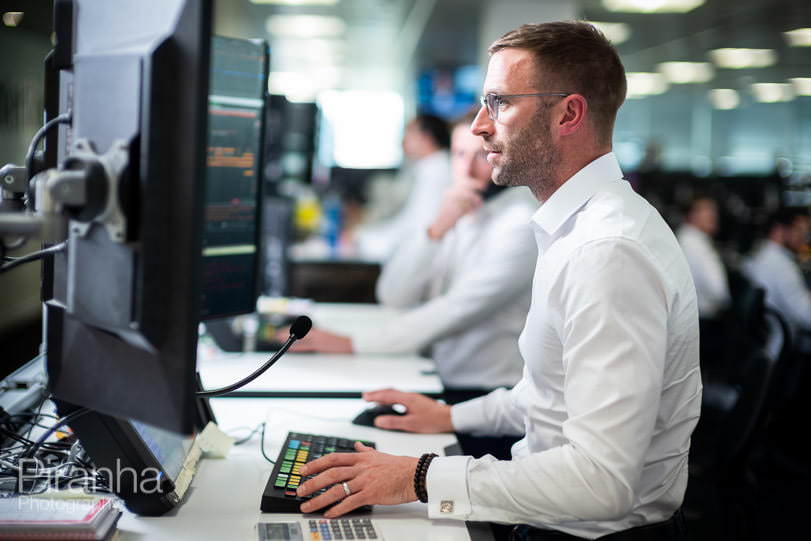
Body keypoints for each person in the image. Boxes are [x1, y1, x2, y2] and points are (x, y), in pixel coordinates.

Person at [293, 22, 701, 541]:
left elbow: (602, 481)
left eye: (500, 103)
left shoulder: (607, 251)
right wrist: (447, 416)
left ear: (569, 114)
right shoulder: (575, 227)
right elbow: (546, 396)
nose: (480, 126)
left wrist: (416, 477)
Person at [287, 110, 537, 399]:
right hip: (438, 378)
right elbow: (394, 295)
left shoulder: (520, 224)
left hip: (485, 394)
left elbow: (454, 310)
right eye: (458, 155)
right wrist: (435, 230)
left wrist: (354, 342)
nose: (466, 171)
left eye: (480, 156)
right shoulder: (459, 213)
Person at [354, 113, 453, 260]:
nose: (403, 141)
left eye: (409, 133)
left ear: (426, 138)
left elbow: (417, 231)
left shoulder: (437, 172)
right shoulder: (427, 168)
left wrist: (362, 239)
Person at [744, 208, 811, 339]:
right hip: (782, 343)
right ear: (779, 229)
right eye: (799, 231)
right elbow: (806, 315)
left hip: (766, 341)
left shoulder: (762, 254)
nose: (803, 239)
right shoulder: (781, 265)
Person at [677, 195, 730, 319]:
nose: (713, 216)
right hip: (703, 320)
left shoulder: (688, 237)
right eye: (707, 210)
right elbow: (719, 291)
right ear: (692, 215)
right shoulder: (694, 243)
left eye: (713, 211)